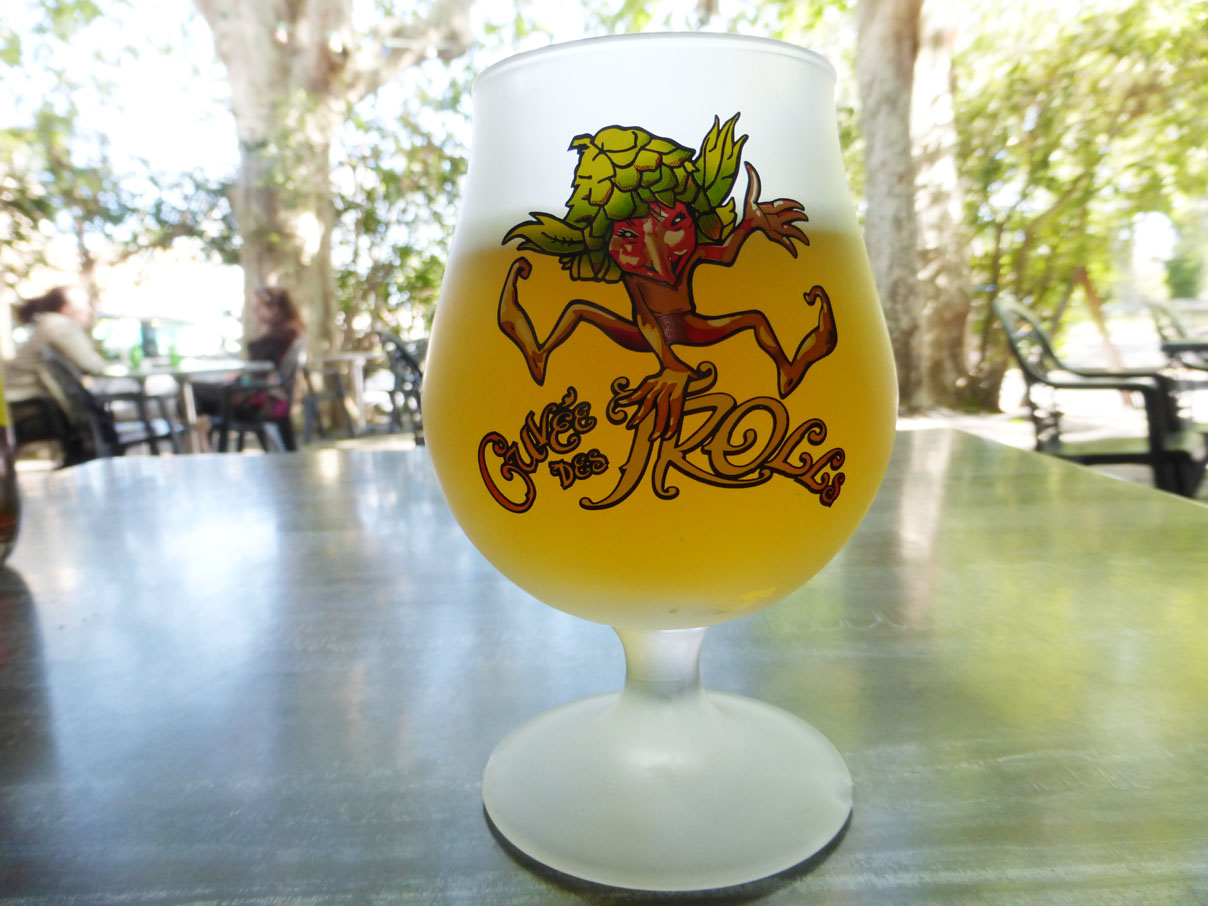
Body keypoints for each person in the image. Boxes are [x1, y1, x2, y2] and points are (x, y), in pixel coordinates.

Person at [5, 286, 114, 462]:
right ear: (66, 309)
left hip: (25, 403)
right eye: (85, 305)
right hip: (31, 407)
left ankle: (86, 458)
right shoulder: (59, 325)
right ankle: (100, 458)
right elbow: (92, 365)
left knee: (94, 418)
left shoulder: (48, 323)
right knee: (98, 420)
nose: (89, 310)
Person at [193, 285, 306, 446]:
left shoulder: (283, 334)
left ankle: (201, 445)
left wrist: (239, 378)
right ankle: (201, 442)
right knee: (196, 393)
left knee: (193, 392)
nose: (255, 313)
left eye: (259, 307)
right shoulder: (283, 332)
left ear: (275, 308)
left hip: (257, 402)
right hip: (256, 395)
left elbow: (263, 370)